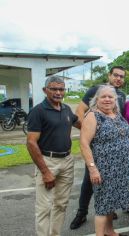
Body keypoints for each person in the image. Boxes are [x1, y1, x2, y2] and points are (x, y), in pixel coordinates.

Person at [70, 66, 127, 229]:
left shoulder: (121, 95)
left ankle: (109, 210)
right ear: (109, 75)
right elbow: (79, 111)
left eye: (121, 76)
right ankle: (81, 213)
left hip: (114, 148)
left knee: (110, 181)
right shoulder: (96, 90)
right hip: (98, 148)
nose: (118, 78)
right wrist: (88, 132)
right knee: (90, 180)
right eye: (115, 75)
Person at [26, 76, 80, 236]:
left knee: (61, 204)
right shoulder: (38, 111)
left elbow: (81, 124)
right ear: (45, 90)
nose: (58, 92)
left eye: (61, 89)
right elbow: (31, 143)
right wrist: (45, 171)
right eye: (54, 89)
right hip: (48, 162)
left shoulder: (66, 109)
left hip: (67, 161)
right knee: (44, 207)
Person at [80, 85, 129, 236]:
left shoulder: (117, 114)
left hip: (121, 168)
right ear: (96, 99)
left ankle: (110, 231)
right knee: (103, 205)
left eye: (110, 97)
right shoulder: (92, 116)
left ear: (115, 100)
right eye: (103, 97)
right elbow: (84, 144)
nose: (107, 99)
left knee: (112, 203)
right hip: (104, 169)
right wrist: (92, 169)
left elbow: (125, 139)